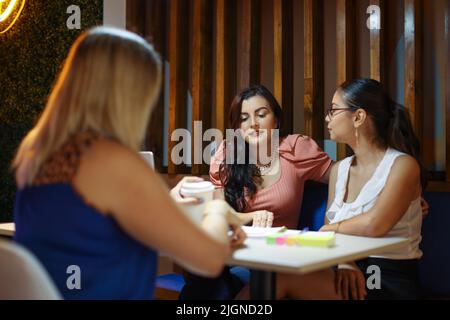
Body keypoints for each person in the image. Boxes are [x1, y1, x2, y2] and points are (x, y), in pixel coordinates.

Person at [12, 27, 245, 300]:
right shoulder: (112, 159)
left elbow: (85, 223)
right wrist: (217, 210)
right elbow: (208, 260)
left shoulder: (35, 152)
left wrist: (166, 207)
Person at [180, 85, 340, 300]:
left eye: (261, 115)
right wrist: (250, 217)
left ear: (276, 120)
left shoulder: (295, 148)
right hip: (239, 258)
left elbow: (344, 177)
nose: (253, 124)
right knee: (201, 279)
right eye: (244, 118)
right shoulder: (228, 154)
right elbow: (219, 214)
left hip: (280, 258)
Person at [319, 78, 426, 300]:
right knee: (277, 275)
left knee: (282, 279)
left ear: (358, 117)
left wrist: (329, 232)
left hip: (386, 276)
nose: (327, 117)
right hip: (344, 267)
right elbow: (331, 230)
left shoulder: (403, 165)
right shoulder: (339, 169)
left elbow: (375, 224)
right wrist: (344, 260)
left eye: (333, 110)